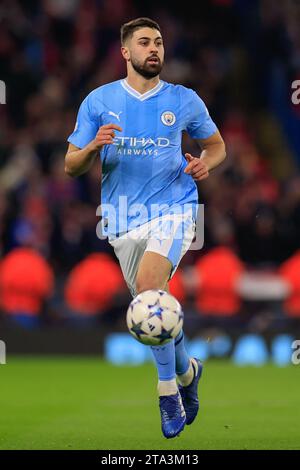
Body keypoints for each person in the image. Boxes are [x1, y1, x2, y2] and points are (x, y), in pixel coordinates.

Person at [65, 17, 226, 438]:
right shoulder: (98, 101)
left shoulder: (184, 100)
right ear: (125, 52)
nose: (154, 49)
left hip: (176, 208)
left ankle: (168, 391)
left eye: (158, 42)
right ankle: (190, 371)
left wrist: (203, 163)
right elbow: (70, 165)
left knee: (151, 286)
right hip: (120, 220)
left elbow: (217, 146)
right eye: (144, 43)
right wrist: (93, 147)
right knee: (151, 310)